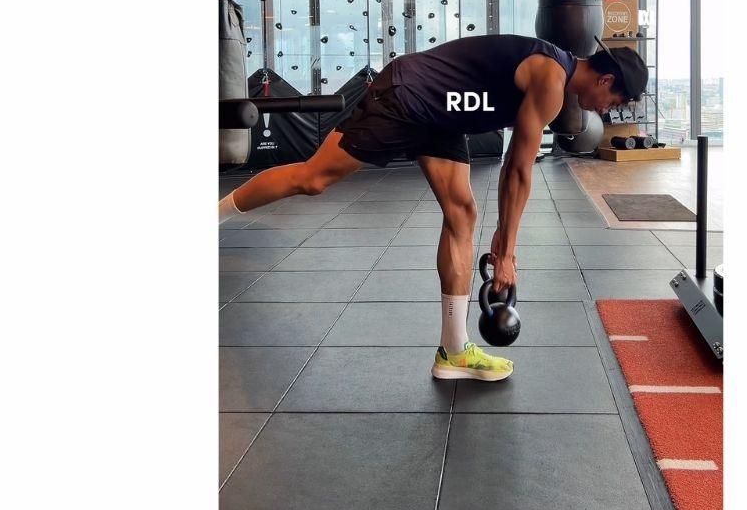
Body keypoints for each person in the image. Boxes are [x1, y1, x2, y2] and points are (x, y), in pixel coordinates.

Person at [218, 34, 649, 381]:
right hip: (410, 97)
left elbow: (513, 170)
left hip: (444, 116)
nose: (610, 110)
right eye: (617, 102)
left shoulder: (555, 75)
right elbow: (517, 170)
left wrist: (504, 246)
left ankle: (454, 351)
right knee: (313, 179)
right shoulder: (551, 80)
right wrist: (506, 256)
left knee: (463, 213)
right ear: (606, 81)